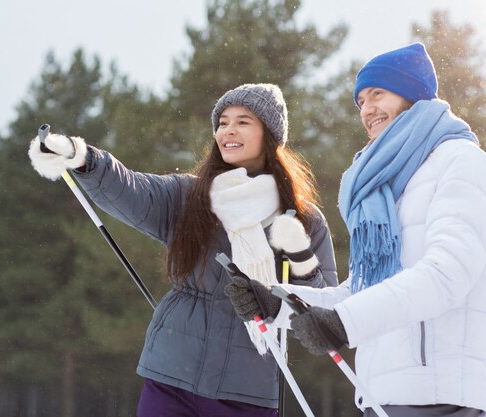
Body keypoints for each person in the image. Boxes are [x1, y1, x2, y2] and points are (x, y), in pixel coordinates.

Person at [225, 44, 486, 417]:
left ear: (413, 94)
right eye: (360, 100)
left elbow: (446, 276)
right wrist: (278, 302)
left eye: (378, 93)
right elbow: (363, 291)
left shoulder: (461, 163)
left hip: (440, 398)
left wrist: (346, 324)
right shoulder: (389, 188)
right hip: (380, 396)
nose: (367, 109)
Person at [28, 83, 338, 417]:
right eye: (222, 123)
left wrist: (301, 257)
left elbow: (324, 311)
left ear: (270, 134)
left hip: (247, 391)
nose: (228, 130)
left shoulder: (302, 219)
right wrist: (83, 157)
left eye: (243, 121)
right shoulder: (190, 197)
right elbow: (133, 190)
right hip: (171, 377)